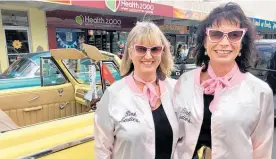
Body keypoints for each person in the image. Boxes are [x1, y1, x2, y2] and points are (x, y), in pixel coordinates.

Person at [173, 2, 274, 159]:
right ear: (205, 42)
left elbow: (262, 151)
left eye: (234, 35)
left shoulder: (260, 92)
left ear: (242, 44)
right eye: (216, 34)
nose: (225, 43)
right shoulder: (185, 82)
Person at [94, 21, 178, 159]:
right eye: (141, 49)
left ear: (162, 52)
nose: (148, 56)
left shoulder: (176, 90)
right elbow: (102, 151)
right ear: (130, 52)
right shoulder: (113, 95)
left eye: (155, 49)